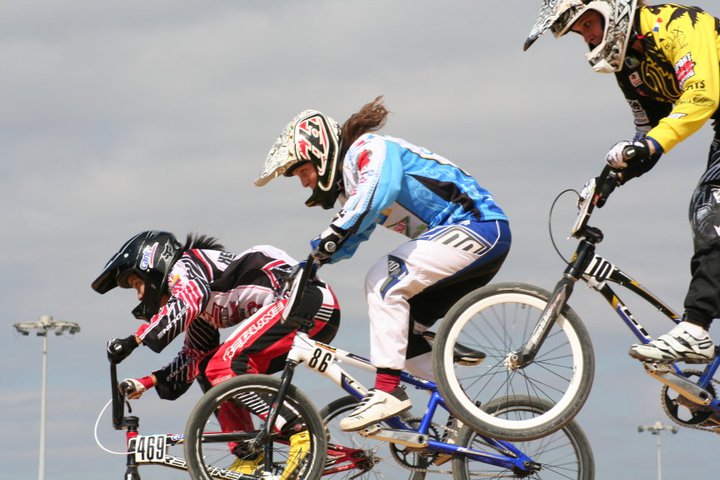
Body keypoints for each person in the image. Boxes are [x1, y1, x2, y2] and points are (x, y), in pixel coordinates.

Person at [255, 96, 511, 431]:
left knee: (382, 281)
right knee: (401, 337)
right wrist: (314, 262)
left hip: (478, 226)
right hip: (464, 242)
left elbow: (379, 191)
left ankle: (387, 391)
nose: (304, 183)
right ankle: (462, 414)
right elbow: (355, 232)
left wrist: (326, 241)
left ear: (322, 154)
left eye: (304, 171)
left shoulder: (369, 149)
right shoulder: (354, 188)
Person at [524, 0, 719, 363]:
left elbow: (701, 96)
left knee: (711, 209)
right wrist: (607, 180)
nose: (589, 37)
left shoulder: (680, 24)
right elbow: (647, 132)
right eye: (580, 33)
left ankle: (695, 330)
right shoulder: (629, 64)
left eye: (588, 24)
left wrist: (646, 146)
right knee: (707, 208)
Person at [92, 230, 340, 475]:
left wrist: (134, 340)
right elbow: (194, 357)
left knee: (227, 365)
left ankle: (302, 430)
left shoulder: (186, 267)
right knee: (211, 368)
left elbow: (185, 304)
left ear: (152, 266)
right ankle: (248, 454)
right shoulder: (202, 303)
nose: (139, 295)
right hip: (299, 311)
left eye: (137, 284)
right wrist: (144, 382)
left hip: (304, 300)